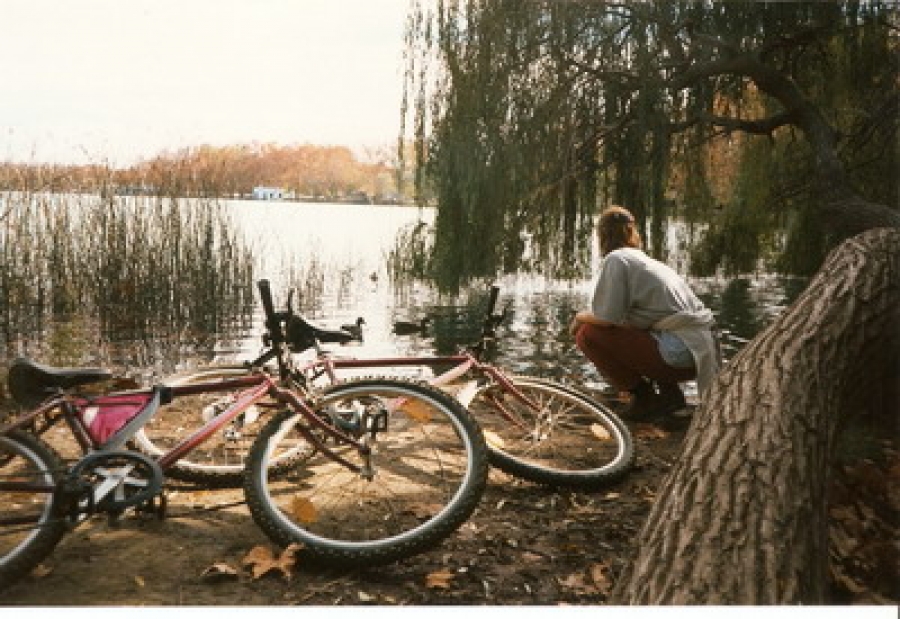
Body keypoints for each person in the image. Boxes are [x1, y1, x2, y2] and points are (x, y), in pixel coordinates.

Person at [570, 205, 719, 421]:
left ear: (601, 235)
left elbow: (606, 318)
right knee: (640, 331)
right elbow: (634, 321)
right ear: (632, 232)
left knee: (587, 333)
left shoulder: (617, 259)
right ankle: (671, 398)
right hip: (700, 351)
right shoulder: (645, 261)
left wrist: (578, 316)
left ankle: (644, 398)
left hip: (681, 354)